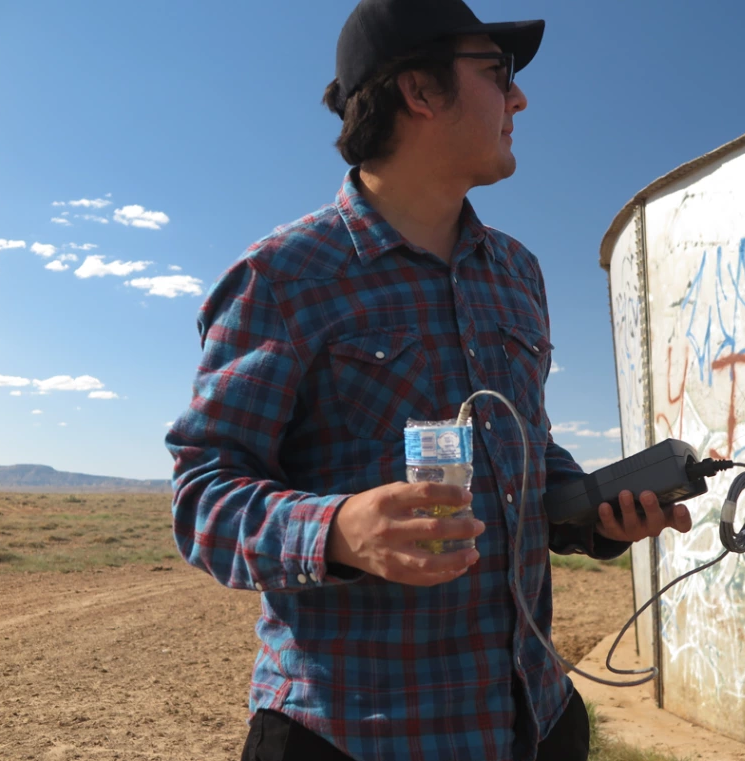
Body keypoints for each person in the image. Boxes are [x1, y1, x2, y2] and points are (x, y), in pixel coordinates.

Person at [165, 1, 692, 759]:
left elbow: (528, 449)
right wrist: (339, 530)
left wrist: (591, 513)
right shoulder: (283, 278)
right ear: (418, 91)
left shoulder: (517, 273)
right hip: (351, 735)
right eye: (498, 73)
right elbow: (202, 494)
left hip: (536, 723)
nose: (520, 98)